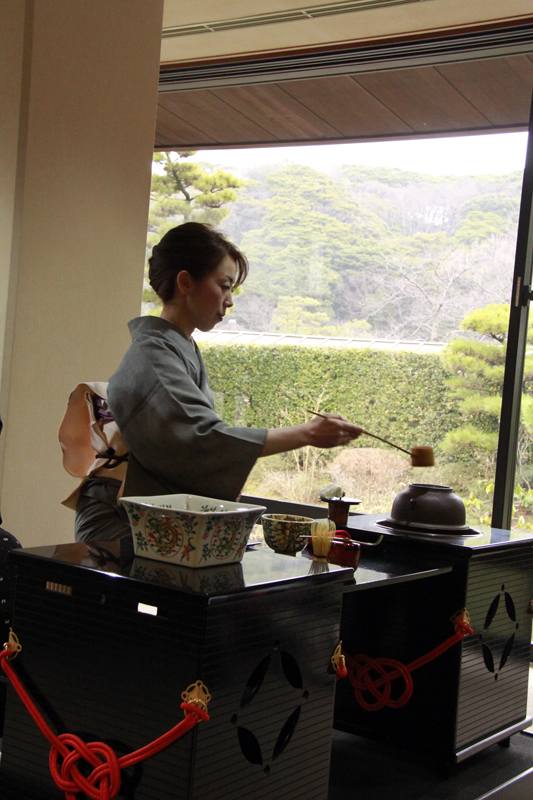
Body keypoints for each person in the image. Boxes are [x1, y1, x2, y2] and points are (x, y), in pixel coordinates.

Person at [108, 222, 363, 502]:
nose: (229, 301)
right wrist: (307, 433)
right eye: (224, 286)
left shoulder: (176, 346)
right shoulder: (154, 354)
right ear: (185, 283)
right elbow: (205, 441)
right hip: (120, 518)